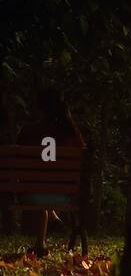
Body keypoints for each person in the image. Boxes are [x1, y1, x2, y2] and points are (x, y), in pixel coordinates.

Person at [16, 89, 86, 256]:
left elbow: (20, 165)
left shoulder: (29, 131)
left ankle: (41, 241)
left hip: (32, 194)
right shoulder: (71, 133)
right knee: (47, 188)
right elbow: (83, 157)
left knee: (37, 186)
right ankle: (50, 222)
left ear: (40, 108)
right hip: (63, 195)